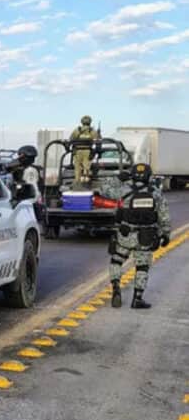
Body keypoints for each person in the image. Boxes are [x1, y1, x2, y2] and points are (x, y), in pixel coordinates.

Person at [106, 163, 171, 309]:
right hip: (146, 237)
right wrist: (165, 234)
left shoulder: (124, 190)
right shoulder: (156, 193)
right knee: (142, 267)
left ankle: (116, 288)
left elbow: (104, 189)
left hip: (125, 235)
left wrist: (118, 178)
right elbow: (164, 216)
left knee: (117, 260)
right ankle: (137, 299)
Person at [70, 115, 98, 189]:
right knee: (86, 167)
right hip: (87, 151)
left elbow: (71, 139)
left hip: (77, 151)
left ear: (82, 122)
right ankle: (85, 183)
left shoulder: (77, 130)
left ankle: (77, 182)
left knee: (77, 168)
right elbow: (97, 140)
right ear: (90, 122)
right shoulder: (92, 131)